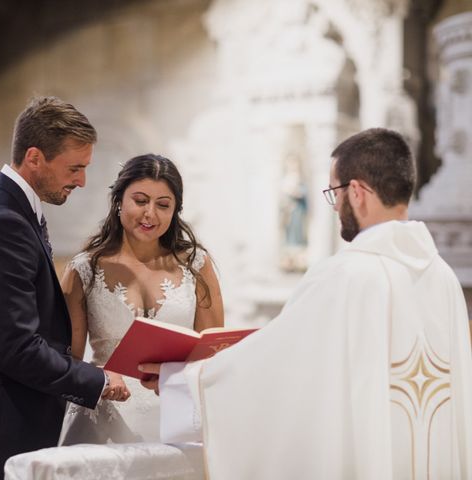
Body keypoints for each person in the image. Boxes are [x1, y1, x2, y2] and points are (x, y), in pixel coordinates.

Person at [140, 128, 472, 479]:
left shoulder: (345, 276)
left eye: (335, 193)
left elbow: (275, 370)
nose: (335, 207)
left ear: (357, 192)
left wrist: (181, 381)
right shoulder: (444, 279)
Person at [0, 96, 128, 480]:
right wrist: (97, 380)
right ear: (35, 157)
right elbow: (17, 348)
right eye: (74, 168)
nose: (82, 181)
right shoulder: (4, 223)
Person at [59, 154, 223, 444]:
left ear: (175, 211)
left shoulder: (197, 264)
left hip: (176, 417)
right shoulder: (85, 269)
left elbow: (213, 353)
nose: (150, 214)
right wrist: (101, 379)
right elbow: (65, 361)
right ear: (119, 200)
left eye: (163, 205)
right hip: (105, 416)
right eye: (140, 200)